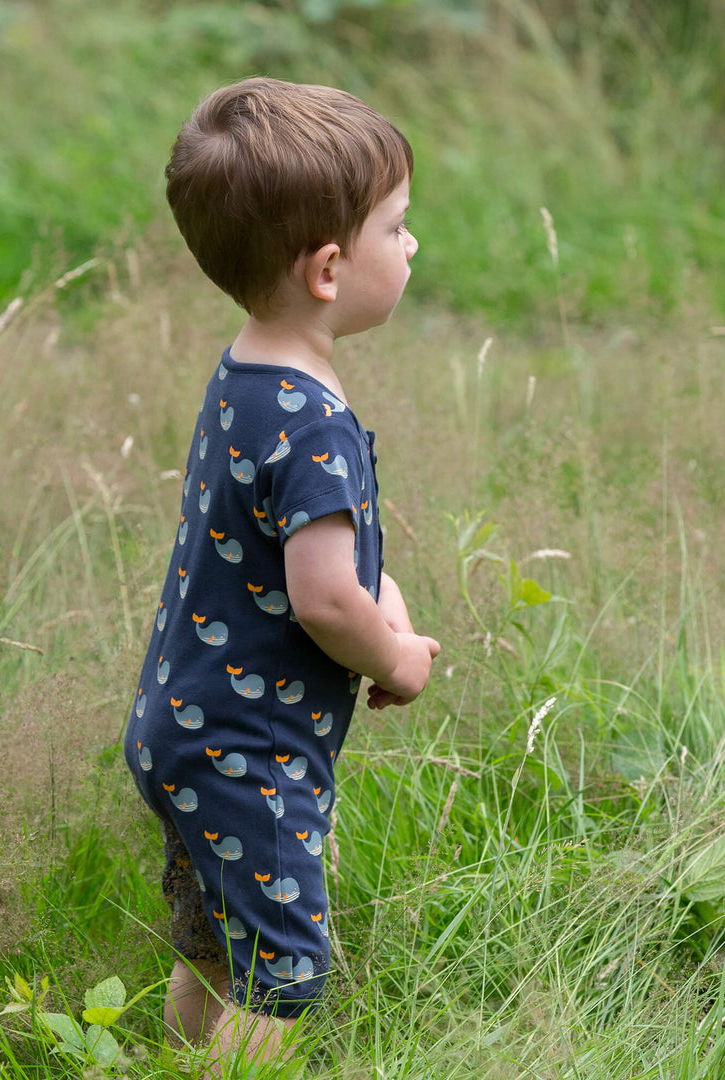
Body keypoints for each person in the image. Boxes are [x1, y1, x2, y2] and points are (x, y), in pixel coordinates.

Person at [123, 76, 440, 1074]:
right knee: (283, 975)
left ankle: (179, 1064)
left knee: (219, 945)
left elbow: (299, 555)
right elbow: (322, 595)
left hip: (189, 721)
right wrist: (394, 648)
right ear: (331, 269)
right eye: (399, 228)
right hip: (251, 748)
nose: (413, 245)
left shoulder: (250, 372)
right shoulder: (313, 423)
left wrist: (375, 601)